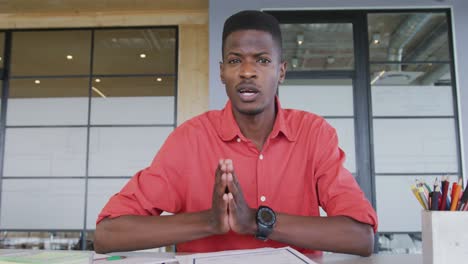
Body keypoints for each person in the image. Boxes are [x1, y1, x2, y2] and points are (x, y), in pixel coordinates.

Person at [94, 10, 378, 256]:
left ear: (281, 71)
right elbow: (108, 234)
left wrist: (256, 221)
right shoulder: (190, 139)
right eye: (234, 61)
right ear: (221, 72)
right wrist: (210, 221)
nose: (247, 72)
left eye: (262, 60)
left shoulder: (314, 134)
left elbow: (361, 237)